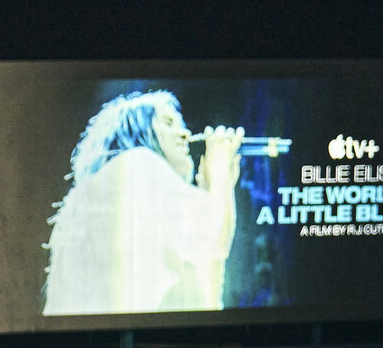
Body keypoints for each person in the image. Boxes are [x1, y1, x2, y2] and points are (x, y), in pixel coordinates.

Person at [42, 89, 244, 315]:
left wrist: (215, 190)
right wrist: (219, 175)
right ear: (138, 134)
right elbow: (214, 238)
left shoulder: (118, 190)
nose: (185, 134)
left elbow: (204, 296)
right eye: (168, 123)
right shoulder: (137, 164)